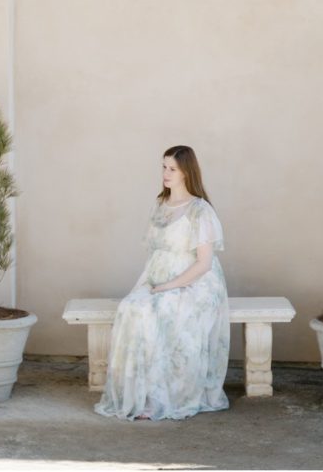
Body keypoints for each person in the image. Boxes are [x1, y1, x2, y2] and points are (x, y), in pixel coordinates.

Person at [94, 145, 229, 421]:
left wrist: (171, 286)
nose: (166, 174)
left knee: (160, 312)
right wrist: (152, 284)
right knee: (131, 308)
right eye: (164, 167)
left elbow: (203, 264)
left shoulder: (199, 211)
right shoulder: (160, 204)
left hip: (195, 283)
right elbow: (155, 252)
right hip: (158, 277)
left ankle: (160, 398)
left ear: (186, 172)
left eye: (172, 169)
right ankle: (137, 393)